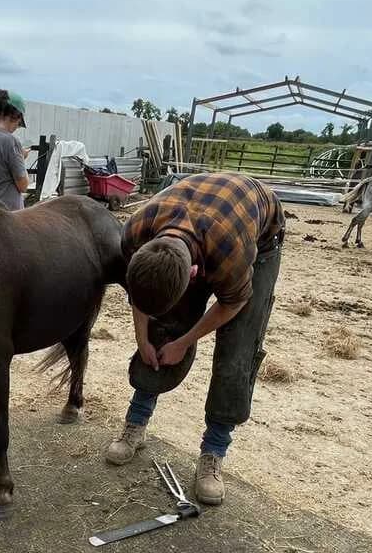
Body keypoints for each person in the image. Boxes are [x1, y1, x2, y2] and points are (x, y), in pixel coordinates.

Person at [105, 172, 284, 506]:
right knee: (161, 329)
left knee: (237, 354)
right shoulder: (134, 231)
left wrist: (184, 341)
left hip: (256, 244)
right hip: (196, 220)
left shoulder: (230, 252)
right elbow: (141, 295)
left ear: (192, 276)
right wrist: (143, 338)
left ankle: (213, 451)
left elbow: (233, 303)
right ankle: (136, 423)